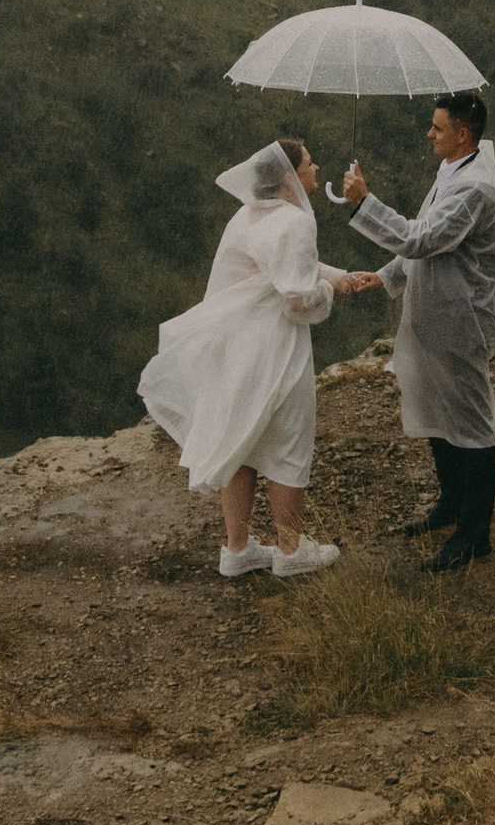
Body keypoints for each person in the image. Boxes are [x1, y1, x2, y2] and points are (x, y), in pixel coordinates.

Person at [138, 136, 355, 580]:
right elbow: (296, 296)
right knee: (289, 445)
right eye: (310, 164)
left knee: (243, 442)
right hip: (276, 349)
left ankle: (237, 549)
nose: (316, 170)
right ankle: (291, 552)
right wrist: (331, 289)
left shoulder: (248, 215)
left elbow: (277, 268)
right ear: (291, 178)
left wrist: (341, 276)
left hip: (233, 350)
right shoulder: (295, 221)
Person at [341, 90, 495, 574]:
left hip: (461, 320)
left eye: (437, 128)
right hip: (436, 314)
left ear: (462, 134)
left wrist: (364, 203)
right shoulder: (454, 171)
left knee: (471, 422)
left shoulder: (475, 189)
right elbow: (429, 236)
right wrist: (387, 276)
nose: (429, 133)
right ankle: (452, 505)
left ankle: (474, 534)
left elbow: (421, 238)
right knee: (437, 408)